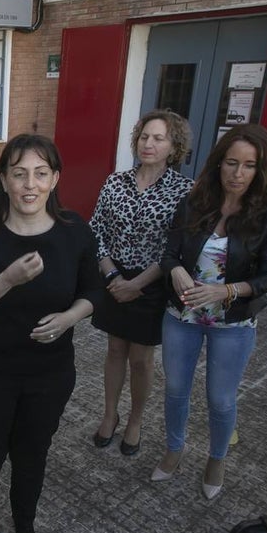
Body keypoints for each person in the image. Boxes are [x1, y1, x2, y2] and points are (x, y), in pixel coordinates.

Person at [0, 134, 102, 533]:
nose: (29, 184)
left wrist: (70, 318)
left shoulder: (74, 232)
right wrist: (7, 280)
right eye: (18, 174)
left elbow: (95, 292)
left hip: (49, 373)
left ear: (54, 179)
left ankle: (25, 524)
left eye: (39, 173)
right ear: (3, 179)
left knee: (33, 452)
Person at [153, 124, 267, 499]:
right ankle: (174, 449)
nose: (238, 174)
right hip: (181, 316)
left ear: (260, 170)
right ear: (218, 163)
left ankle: (217, 459)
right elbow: (169, 252)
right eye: (231, 163)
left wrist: (226, 290)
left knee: (220, 398)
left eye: (248, 166)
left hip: (233, 321)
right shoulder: (196, 200)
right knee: (176, 389)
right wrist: (176, 269)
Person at [89, 110, 193, 456]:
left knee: (141, 359)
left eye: (158, 138)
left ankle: (135, 420)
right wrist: (112, 275)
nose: (148, 144)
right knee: (115, 350)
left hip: (152, 282)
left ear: (174, 146)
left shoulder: (185, 191)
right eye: (144, 136)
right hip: (113, 277)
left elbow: (175, 247)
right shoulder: (114, 181)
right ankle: (109, 415)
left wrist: (138, 284)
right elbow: (96, 230)